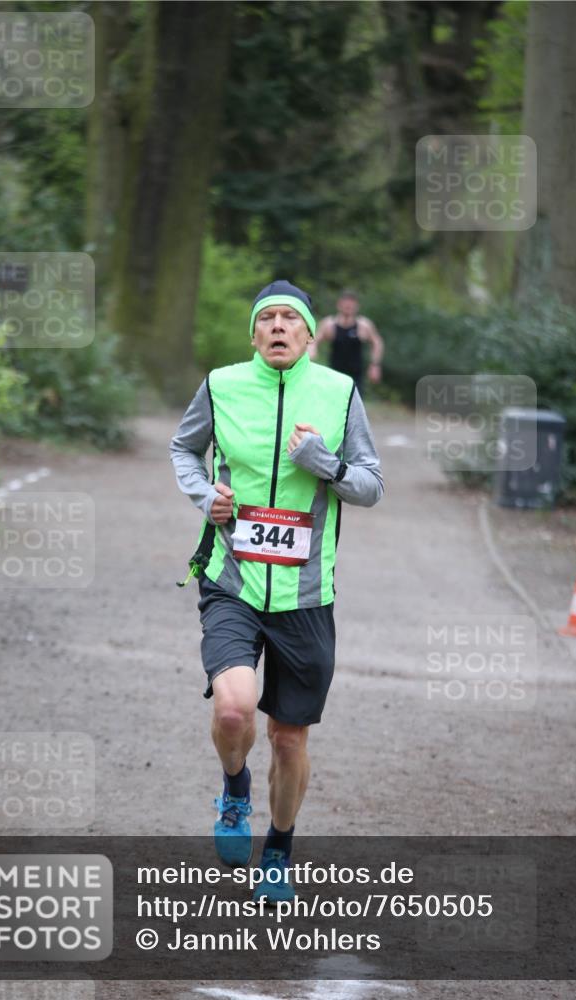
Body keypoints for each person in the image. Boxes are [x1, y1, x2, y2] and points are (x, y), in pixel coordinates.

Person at [170, 280, 384, 903]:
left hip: (307, 596)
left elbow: (371, 484)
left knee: (289, 738)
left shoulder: (340, 394)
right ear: (255, 333)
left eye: (293, 318)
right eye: (269, 319)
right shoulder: (222, 385)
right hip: (233, 579)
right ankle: (235, 792)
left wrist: (326, 464)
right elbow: (184, 448)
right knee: (234, 708)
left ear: (310, 334)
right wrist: (206, 495)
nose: (280, 327)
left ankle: (280, 849)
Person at [309, 289, 383, 394]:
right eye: (346, 305)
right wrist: (311, 355)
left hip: (356, 377)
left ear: (357, 306)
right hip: (334, 374)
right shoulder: (329, 324)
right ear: (339, 305)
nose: (348, 307)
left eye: (351, 305)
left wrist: (375, 365)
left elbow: (377, 342)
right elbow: (313, 341)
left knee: (354, 407)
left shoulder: (364, 325)